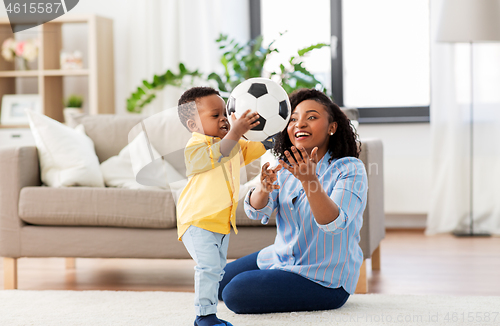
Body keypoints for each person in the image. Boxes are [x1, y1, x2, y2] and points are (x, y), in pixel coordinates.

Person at [218, 88, 368, 314]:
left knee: (235, 293)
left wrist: (309, 181)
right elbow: (257, 212)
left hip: (323, 278)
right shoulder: (284, 165)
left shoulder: (349, 169)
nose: (300, 124)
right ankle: (273, 276)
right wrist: (263, 189)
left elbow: (334, 224)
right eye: (294, 119)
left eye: (312, 117)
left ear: (332, 127)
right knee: (215, 282)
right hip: (280, 256)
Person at [176, 87, 266, 326]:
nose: (224, 119)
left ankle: (209, 314)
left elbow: (257, 147)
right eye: (215, 116)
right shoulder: (195, 147)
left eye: (225, 113)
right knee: (208, 267)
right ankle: (204, 317)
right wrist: (235, 133)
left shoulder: (233, 145)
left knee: (217, 270)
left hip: (221, 223)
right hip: (197, 219)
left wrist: (277, 137)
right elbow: (218, 154)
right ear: (193, 125)